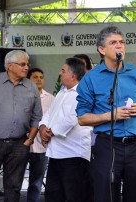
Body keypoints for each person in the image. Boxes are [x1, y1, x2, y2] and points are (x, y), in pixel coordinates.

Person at [76, 25, 136, 202]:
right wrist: (109, 116)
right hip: (108, 146)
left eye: (122, 42)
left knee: (135, 196)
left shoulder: (135, 72)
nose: (120, 46)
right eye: (113, 43)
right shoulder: (91, 78)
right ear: (101, 49)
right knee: (105, 196)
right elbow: (82, 118)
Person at [0, 50, 42, 202]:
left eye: (27, 64)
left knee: (14, 188)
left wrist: (30, 140)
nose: (26, 67)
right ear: (10, 66)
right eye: (22, 64)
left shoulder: (31, 87)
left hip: (19, 144)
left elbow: (37, 116)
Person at [39, 57, 93, 202]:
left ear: (73, 76)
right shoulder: (62, 92)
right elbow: (49, 113)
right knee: (53, 195)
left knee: (74, 196)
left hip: (74, 155)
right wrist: (42, 127)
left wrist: (49, 133)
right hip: (56, 154)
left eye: (63, 70)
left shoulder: (83, 93)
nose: (60, 73)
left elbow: (72, 118)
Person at [26, 67, 55, 202]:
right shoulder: (21, 96)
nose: (39, 79)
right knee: (14, 180)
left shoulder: (51, 98)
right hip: (22, 145)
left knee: (36, 182)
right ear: (28, 79)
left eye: (41, 77)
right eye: (35, 77)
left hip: (41, 147)